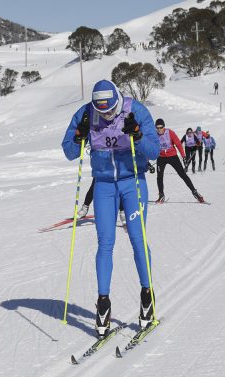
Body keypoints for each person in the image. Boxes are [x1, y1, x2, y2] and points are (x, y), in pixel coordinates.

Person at [62, 79, 160, 337]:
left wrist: (137, 136)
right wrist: (78, 136)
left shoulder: (135, 110)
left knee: (138, 240)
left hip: (132, 182)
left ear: (118, 100)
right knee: (105, 243)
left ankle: (147, 296)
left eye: (110, 111)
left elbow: (155, 151)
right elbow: (69, 152)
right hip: (104, 185)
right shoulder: (85, 113)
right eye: (101, 112)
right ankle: (103, 303)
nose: (106, 115)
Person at [154, 118, 205, 204]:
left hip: (172, 156)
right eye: (157, 128)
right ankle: (161, 195)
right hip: (161, 157)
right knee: (159, 176)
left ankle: (195, 193)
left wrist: (183, 156)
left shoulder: (170, 132)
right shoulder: (154, 135)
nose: (159, 130)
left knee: (182, 174)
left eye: (161, 127)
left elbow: (178, 144)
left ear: (164, 127)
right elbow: (150, 147)